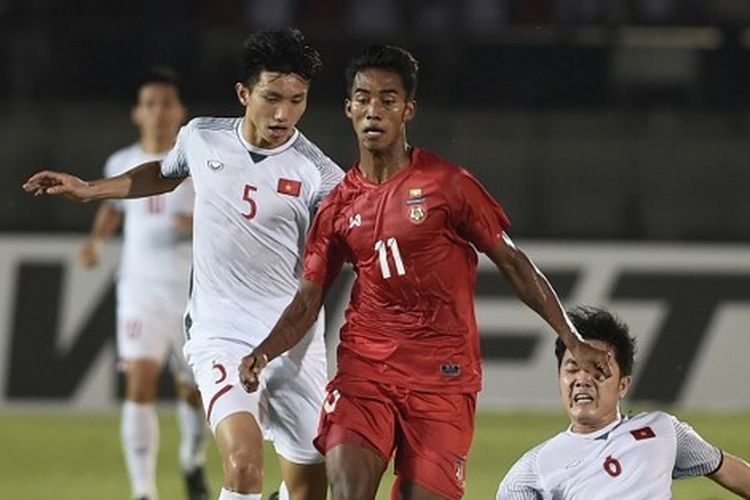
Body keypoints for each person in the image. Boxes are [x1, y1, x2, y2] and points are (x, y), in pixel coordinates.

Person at [238, 44, 612, 500]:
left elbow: (514, 263)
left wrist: (572, 337)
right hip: (366, 372)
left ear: (408, 110)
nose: (374, 110)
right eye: (364, 98)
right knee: (348, 491)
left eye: (388, 99)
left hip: (443, 379)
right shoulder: (337, 206)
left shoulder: (448, 185)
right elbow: (307, 300)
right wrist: (265, 351)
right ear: (348, 108)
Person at [23, 28, 344, 500]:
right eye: (272, 97)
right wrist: (92, 189)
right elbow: (164, 173)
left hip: (293, 343)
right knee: (243, 465)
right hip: (220, 333)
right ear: (243, 93)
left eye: (297, 100)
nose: (283, 113)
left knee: (311, 491)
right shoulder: (202, 138)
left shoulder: (319, 173)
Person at [80, 67, 209, 500]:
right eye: (150, 104)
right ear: (137, 112)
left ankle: (191, 459)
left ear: (181, 111)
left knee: (194, 394)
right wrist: (96, 241)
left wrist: (199, 222)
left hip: (192, 296)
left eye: (166, 103)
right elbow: (113, 209)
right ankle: (144, 491)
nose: (158, 112)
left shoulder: (200, 164)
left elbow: (227, 220)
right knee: (139, 383)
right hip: (139, 293)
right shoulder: (121, 162)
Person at [496, 306, 750, 500]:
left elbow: (729, 471)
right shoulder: (529, 472)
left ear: (623, 385)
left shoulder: (663, 431)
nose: (582, 380)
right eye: (572, 369)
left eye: (597, 370)